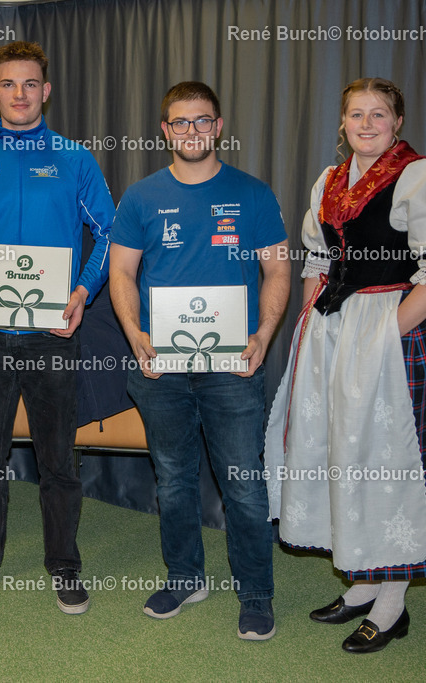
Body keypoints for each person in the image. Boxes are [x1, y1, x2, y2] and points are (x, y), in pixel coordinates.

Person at [264, 78, 426, 654]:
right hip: (334, 332)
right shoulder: (330, 181)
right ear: (342, 123)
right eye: (356, 114)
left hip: (392, 329)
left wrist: (385, 334)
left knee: (385, 460)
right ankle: (360, 583)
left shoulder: (420, 175)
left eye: (378, 114)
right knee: (342, 450)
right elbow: (320, 261)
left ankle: (391, 602)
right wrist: (309, 325)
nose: (366, 123)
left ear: (397, 121)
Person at [0, 41, 114, 614]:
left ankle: (64, 563)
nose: (20, 94)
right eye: (9, 85)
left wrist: (84, 291)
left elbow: (109, 236)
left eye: (30, 84)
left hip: (51, 335)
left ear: (47, 90)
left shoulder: (75, 159)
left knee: (58, 459)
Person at [110, 81, 289, 639]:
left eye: (202, 121)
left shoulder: (254, 194)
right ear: (165, 130)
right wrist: (135, 333)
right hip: (161, 367)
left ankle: (256, 593)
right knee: (174, 480)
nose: (192, 132)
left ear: (218, 126)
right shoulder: (140, 197)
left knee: (242, 483)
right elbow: (121, 273)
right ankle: (185, 576)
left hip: (232, 368)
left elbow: (278, 270)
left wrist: (263, 334)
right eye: (180, 123)